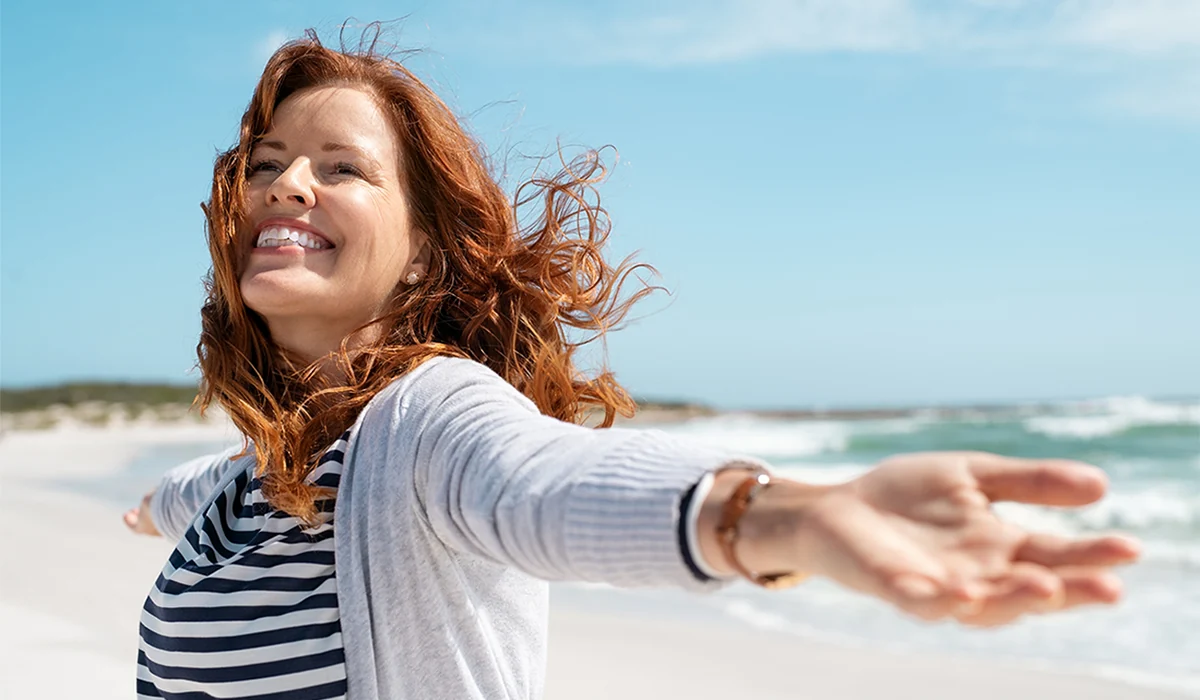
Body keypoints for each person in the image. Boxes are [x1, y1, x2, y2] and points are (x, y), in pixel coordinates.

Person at [123, 28, 1141, 700]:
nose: (289, 184)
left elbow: (546, 483)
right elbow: (192, 488)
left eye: (341, 167)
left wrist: (778, 517)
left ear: (427, 247)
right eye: (267, 165)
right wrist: (148, 503)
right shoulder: (252, 478)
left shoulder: (424, 425)